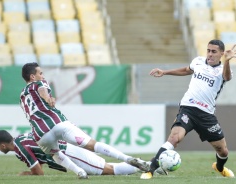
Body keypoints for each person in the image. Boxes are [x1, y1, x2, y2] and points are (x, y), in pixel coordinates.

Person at [20, 62, 149, 179]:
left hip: (40, 134)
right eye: (40, 73)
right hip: (57, 123)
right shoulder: (39, 83)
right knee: (91, 144)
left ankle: (79, 172)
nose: (42, 76)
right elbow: (41, 90)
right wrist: (48, 98)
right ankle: (128, 158)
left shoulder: (22, 96)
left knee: (56, 155)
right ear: (32, 77)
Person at [140, 40, 236, 179]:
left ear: (222, 54)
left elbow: (227, 77)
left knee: (222, 151)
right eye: (208, 50)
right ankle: (150, 170)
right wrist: (164, 72)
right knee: (174, 138)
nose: (210, 54)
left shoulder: (222, 70)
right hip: (188, 108)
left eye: (214, 51)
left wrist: (227, 61)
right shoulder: (198, 61)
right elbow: (186, 70)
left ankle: (219, 167)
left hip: (206, 115)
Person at [0, 130, 139, 176]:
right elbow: (39, 159)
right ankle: (148, 164)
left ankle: (149, 165)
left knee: (107, 170)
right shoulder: (20, 139)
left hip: (66, 152)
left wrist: (27, 174)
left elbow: (38, 172)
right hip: (65, 149)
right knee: (106, 167)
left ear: (3, 145)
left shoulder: (20, 149)